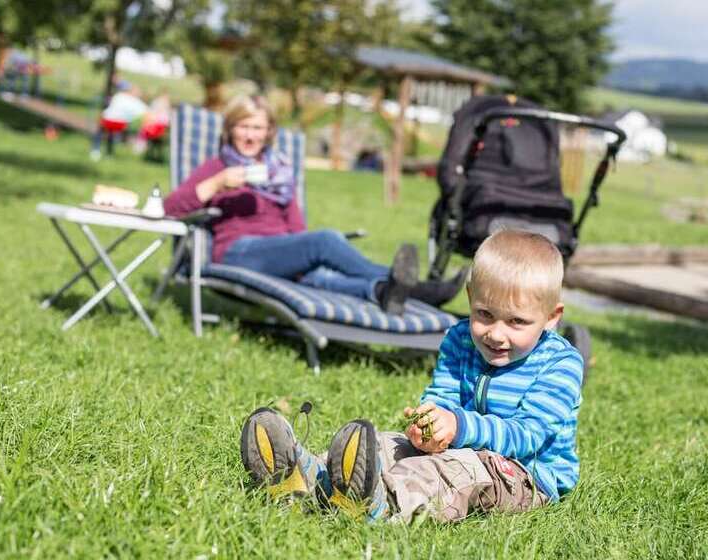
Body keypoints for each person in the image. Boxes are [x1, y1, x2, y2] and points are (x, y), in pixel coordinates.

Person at [240, 230, 584, 523]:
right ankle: (311, 475)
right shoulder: (460, 338)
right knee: (390, 444)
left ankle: (381, 502)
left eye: (517, 322)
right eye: (484, 314)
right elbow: (441, 396)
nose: (496, 334)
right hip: (461, 442)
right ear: (470, 298)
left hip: (524, 474)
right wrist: (428, 426)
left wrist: (459, 427)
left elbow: (529, 434)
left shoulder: (561, 364)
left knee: (452, 469)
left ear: (552, 317)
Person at [163, 94, 465, 314]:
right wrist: (217, 183)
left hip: (278, 252)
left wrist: (297, 256)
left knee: (319, 276)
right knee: (324, 241)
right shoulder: (218, 167)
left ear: (269, 132)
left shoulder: (279, 171)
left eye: (257, 128)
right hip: (238, 253)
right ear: (230, 129)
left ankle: (385, 291)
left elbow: (296, 228)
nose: (250, 135)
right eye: (243, 127)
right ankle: (420, 289)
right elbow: (171, 208)